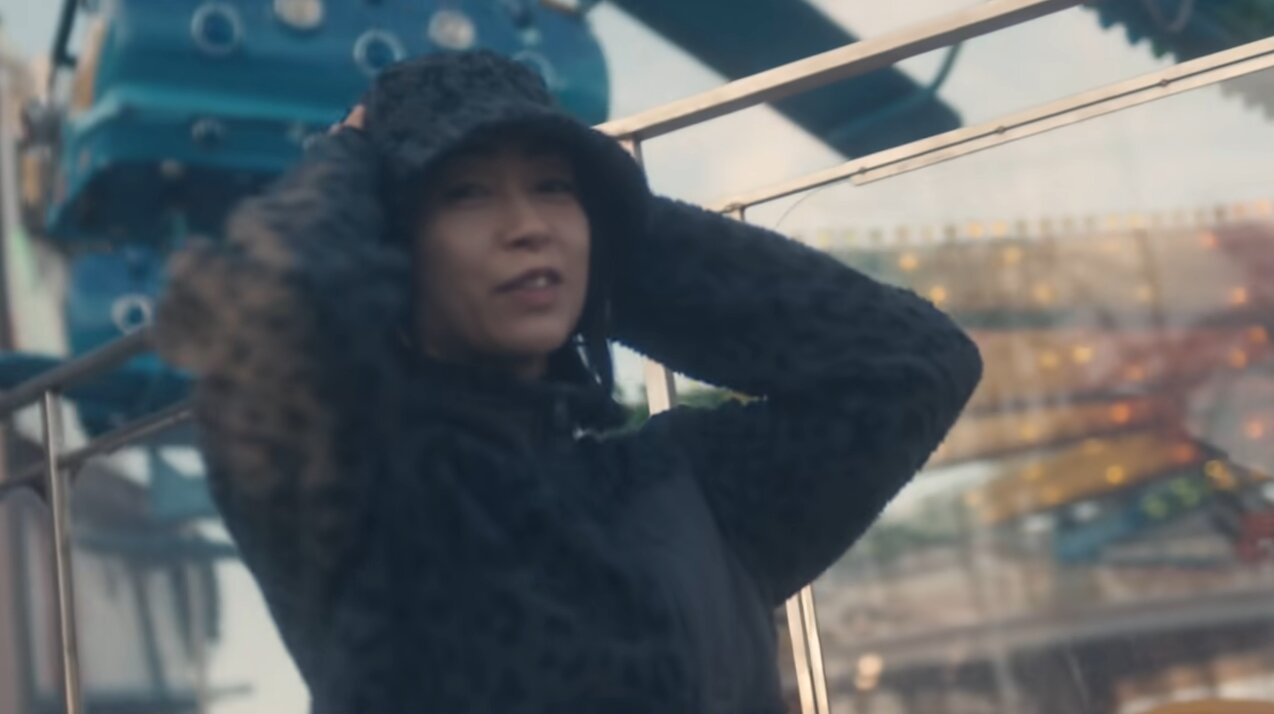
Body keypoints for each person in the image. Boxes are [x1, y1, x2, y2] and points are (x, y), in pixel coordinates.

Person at [155, 50, 982, 714]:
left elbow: (908, 363)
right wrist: (344, 163)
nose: (527, 226)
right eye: (466, 193)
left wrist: (618, 234)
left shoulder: (687, 491)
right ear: (389, 243)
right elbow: (273, 320)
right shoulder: (353, 491)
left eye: (555, 187)